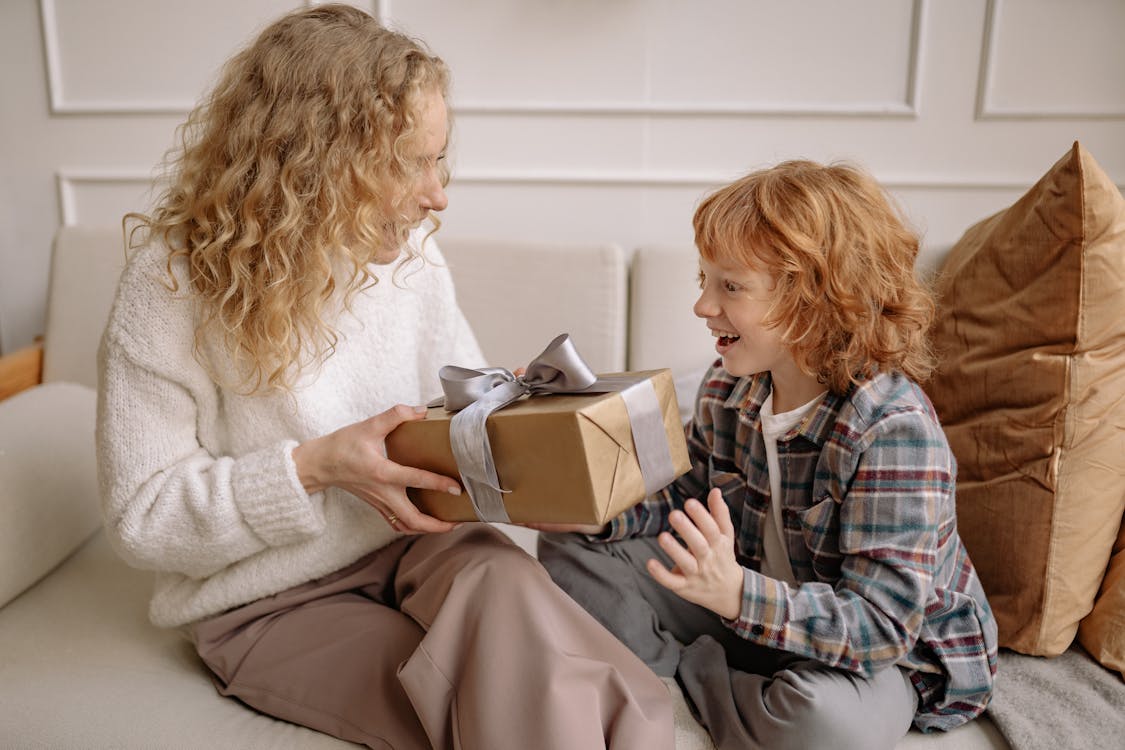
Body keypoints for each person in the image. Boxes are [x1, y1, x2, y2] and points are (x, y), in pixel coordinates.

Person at [95, 5, 673, 749]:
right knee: (507, 698)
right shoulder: (169, 289)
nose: (437, 195)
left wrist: (519, 438)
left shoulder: (410, 260)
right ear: (314, 161)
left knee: (507, 595)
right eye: (409, 163)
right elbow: (143, 519)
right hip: (267, 600)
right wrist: (312, 468)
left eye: (439, 159)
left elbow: (451, 425)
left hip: (423, 545)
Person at [536, 160, 999, 750]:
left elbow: (882, 626)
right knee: (572, 546)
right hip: (759, 606)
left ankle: (687, 675)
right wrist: (598, 513)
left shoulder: (893, 430)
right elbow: (685, 499)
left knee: (820, 723)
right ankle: (724, 680)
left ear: (817, 300)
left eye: (730, 286)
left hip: (881, 656)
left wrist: (734, 596)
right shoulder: (729, 388)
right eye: (704, 281)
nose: (704, 306)